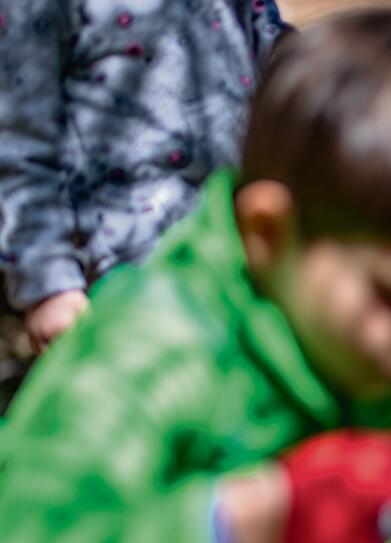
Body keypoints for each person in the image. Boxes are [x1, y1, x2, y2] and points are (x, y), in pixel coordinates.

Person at [0, 10, 391, 543]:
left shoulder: (381, 344)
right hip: (116, 250)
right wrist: (249, 516)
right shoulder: (148, 355)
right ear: (269, 232)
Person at [0, 0, 287, 352]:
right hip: (121, 265)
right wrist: (48, 282)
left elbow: (273, 51)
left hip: (231, 238)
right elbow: (18, 145)